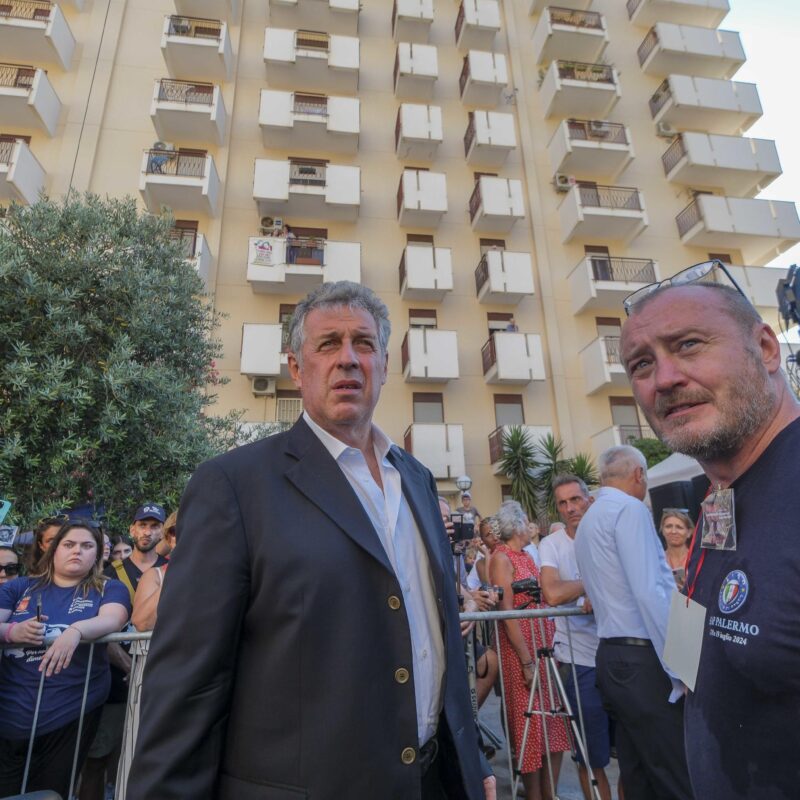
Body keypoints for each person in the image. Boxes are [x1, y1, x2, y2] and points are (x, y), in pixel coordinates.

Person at [128, 281, 495, 800]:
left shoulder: (416, 477)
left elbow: (437, 632)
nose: (347, 359)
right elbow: (189, 685)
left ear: (385, 365)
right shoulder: (234, 485)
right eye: (328, 344)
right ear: (297, 368)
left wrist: (470, 760)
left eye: (363, 344)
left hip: (432, 782)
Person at [620, 274, 800, 799]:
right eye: (641, 364)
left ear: (766, 348)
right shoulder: (719, 498)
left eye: (689, 345)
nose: (665, 378)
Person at [574, 446, 692, 800]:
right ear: (639, 474)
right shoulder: (630, 510)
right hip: (641, 658)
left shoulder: (589, 519)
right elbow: (650, 592)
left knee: (637, 771)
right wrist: (682, 665)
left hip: (611, 655)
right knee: (675, 772)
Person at [0, 520, 130, 799]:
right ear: (53, 550)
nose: (77, 551)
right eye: (68, 544)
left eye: (87, 546)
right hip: (11, 710)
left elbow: (114, 618)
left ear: (97, 554)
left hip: (70, 711)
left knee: (49, 793)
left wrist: (76, 631)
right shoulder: (19, 587)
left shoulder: (109, 588)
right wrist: (13, 631)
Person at [81, 505, 168, 800]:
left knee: (146, 753)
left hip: (162, 675)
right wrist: (131, 667)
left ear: (163, 531)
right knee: (99, 756)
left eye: (155, 526)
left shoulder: (174, 567)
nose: (148, 532)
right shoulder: (109, 574)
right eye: (142, 525)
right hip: (116, 680)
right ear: (132, 530)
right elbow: (102, 630)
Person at [489, 500, 570, 800]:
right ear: (517, 524)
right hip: (520, 648)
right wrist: (525, 661)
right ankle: (535, 795)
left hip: (543, 642)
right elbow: (507, 611)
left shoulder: (526, 554)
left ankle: (551, 793)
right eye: (526, 520)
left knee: (553, 721)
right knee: (530, 726)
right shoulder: (502, 558)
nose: (530, 525)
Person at [539, 475, 612, 800]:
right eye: (563, 503)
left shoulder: (610, 534)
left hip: (623, 655)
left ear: (589, 499)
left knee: (634, 756)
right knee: (590, 757)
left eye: (575, 500)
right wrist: (593, 584)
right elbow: (552, 594)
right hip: (579, 662)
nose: (570, 508)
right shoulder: (552, 545)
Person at [659, 509, 692, 590]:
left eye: (679, 527)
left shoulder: (696, 560)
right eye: (668, 526)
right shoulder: (656, 560)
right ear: (662, 530)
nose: (673, 531)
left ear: (689, 532)